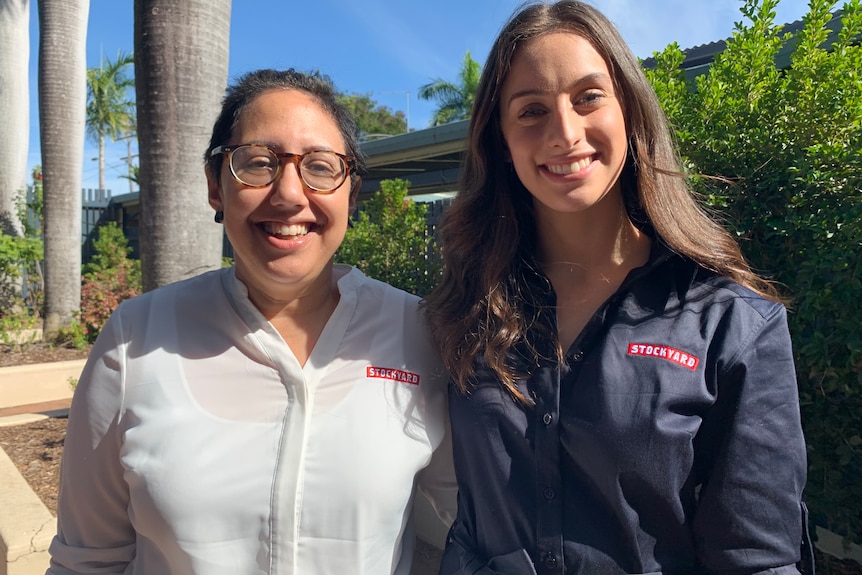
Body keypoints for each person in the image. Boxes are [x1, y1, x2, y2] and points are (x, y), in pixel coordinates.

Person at [422, 2, 812, 574]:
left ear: (628, 108)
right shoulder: (465, 308)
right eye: (530, 111)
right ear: (501, 141)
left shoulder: (731, 323)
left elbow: (757, 559)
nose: (565, 133)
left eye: (588, 98)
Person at [47, 68, 455, 575]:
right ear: (216, 187)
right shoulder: (137, 340)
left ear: (351, 192)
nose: (288, 193)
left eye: (321, 167)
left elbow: (472, 523)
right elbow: (87, 562)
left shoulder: (414, 331)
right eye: (257, 163)